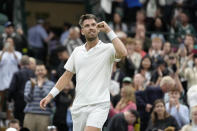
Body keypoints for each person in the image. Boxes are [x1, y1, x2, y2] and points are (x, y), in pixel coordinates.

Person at [40, 14, 127, 131]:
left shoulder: (108, 48)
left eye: (93, 25)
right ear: (82, 31)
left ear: (98, 28)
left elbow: (123, 52)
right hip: (79, 106)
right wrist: (50, 96)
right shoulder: (77, 51)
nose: (91, 27)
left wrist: (108, 30)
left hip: (99, 104)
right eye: (87, 26)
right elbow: (66, 76)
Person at [23, 63, 55, 131]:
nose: (40, 72)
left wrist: (41, 87)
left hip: (44, 115)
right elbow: (27, 99)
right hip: (30, 114)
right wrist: (32, 87)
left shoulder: (51, 84)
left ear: (46, 71)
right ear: (35, 72)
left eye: (42, 70)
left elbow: (50, 100)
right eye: (38, 70)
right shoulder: (29, 83)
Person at [8, 55, 35, 126]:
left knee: (19, 121)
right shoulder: (33, 73)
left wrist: (9, 99)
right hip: (30, 101)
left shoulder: (17, 73)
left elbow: (12, 88)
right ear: (29, 63)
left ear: (20, 63)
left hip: (18, 100)